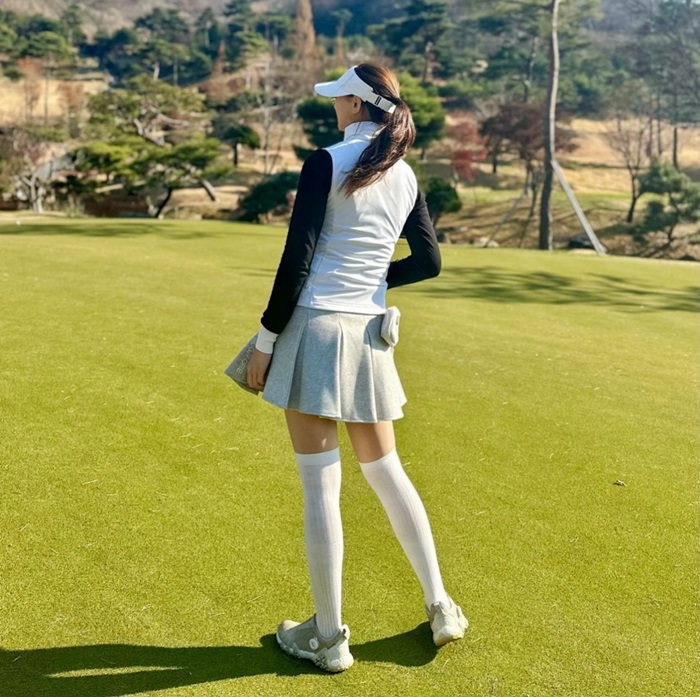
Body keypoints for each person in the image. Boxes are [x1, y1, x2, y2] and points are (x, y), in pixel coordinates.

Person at [246, 64, 468, 673]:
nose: (332, 105)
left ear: (355, 103)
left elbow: (297, 263)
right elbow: (428, 261)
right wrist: (374, 279)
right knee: (387, 472)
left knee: (321, 485)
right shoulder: (404, 172)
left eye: (337, 97)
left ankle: (328, 638)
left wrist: (265, 340)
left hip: (316, 329)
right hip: (369, 334)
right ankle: (441, 605)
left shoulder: (326, 161)